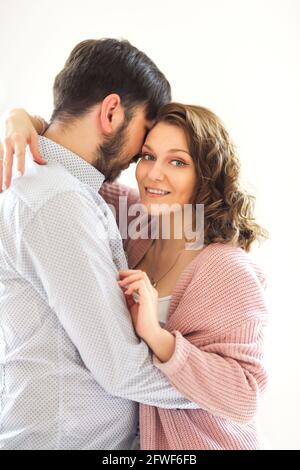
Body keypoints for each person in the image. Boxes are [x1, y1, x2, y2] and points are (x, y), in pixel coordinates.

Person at [1, 100, 269, 449]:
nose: (153, 174)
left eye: (177, 162)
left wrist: (158, 338)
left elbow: (245, 395)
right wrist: (19, 121)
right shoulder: (132, 219)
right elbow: (71, 162)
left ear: (206, 175)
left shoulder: (227, 270)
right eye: (146, 156)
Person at [0, 38, 203, 451]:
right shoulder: (59, 201)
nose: (138, 158)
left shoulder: (61, 187)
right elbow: (121, 368)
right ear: (112, 112)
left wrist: (23, 118)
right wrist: (222, 392)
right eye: (144, 134)